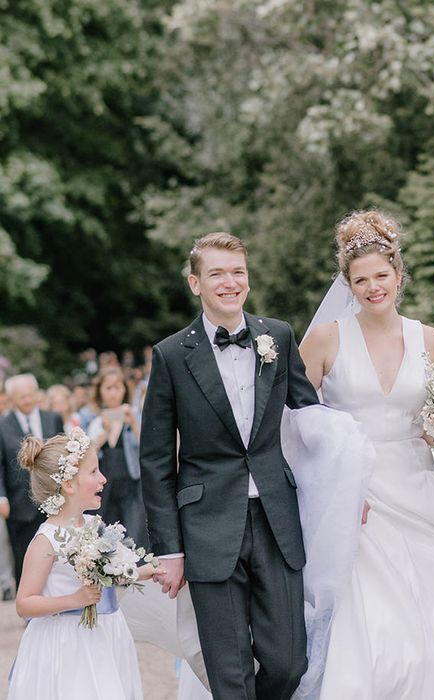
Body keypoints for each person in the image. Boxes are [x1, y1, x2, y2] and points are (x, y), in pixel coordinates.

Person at [300, 210, 434, 699]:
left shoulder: (428, 338)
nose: (374, 287)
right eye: (361, 280)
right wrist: (335, 482)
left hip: (421, 489)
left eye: (381, 276)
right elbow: (296, 423)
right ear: (347, 284)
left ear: (398, 274)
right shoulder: (326, 338)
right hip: (357, 496)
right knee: (376, 629)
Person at [140, 232, 319, 700]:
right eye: (216, 273)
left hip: (277, 520)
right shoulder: (171, 355)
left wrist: (349, 483)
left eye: (237, 271)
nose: (229, 282)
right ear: (195, 283)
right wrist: (169, 550)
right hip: (206, 527)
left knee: (289, 664)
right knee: (229, 671)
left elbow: (311, 418)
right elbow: (156, 459)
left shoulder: (276, 335)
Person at [8, 428, 157, 699]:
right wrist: (75, 600)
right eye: (93, 472)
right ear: (68, 485)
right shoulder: (47, 540)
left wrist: (148, 570)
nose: (103, 479)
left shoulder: (94, 525)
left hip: (106, 633)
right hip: (68, 642)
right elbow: (24, 603)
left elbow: (115, 571)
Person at [0, 374, 64, 587]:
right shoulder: (3, 425)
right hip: (19, 502)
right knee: (23, 554)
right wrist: (2, 497)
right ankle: (28, 606)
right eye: (21, 397)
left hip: (52, 498)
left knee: (55, 553)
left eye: (30, 395)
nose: (27, 401)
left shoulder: (52, 418)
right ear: (11, 399)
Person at [87, 368, 147, 548]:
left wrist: (134, 424)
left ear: (124, 390)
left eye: (117, 387)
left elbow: (148, 447)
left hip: (131, 483)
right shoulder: (94, 420)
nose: (113, 393)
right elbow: (88, 453)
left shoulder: (135, 415)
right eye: (108, 388)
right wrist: (104, 432)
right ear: (100, 391)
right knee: (104, 535)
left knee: (134, 532)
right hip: (105, 485)